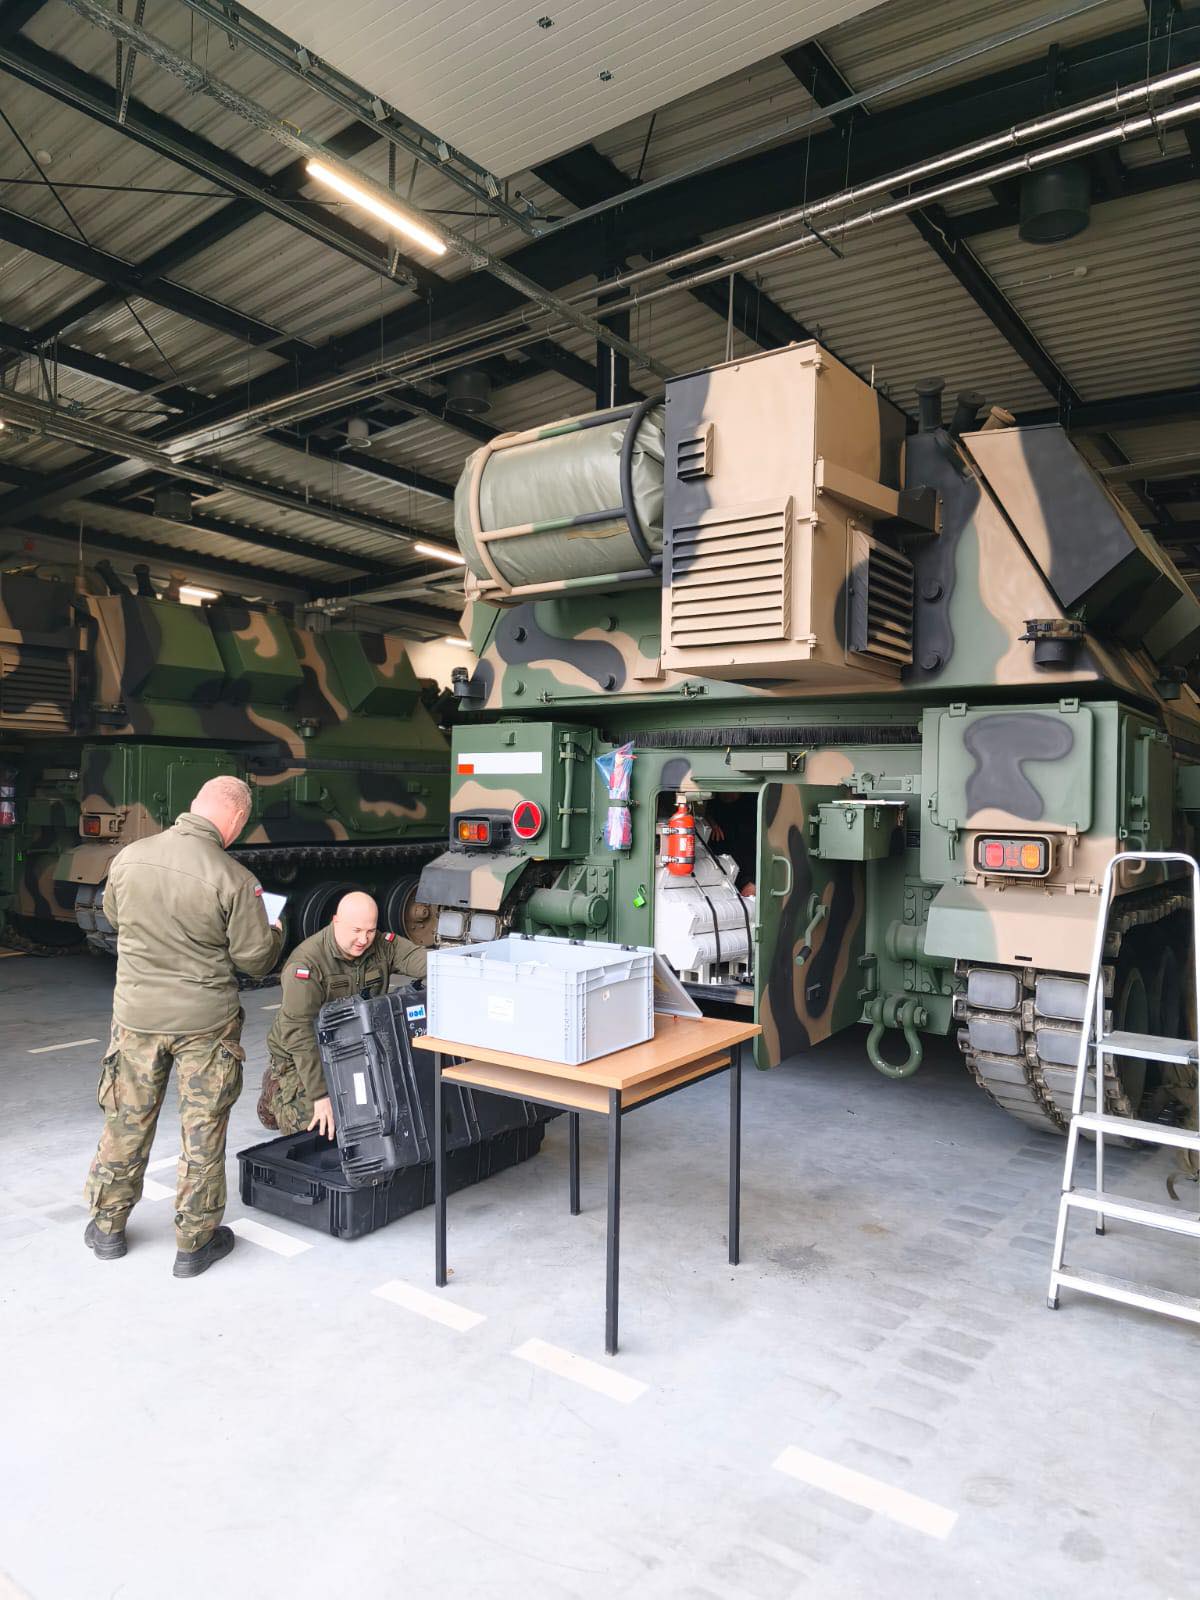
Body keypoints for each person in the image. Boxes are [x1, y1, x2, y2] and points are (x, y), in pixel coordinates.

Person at [83, 776, 283, 1278]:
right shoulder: (234, 878)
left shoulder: (129, 857)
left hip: (137, 1017)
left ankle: (107, 1228)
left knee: (125, 1122)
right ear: (236, 819)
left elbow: (114, 915)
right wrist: (275, 930)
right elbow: (256, 960)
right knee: (202, 1132)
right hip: (205, 1024)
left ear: (194, 805)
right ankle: (194, 1244)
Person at [258, 891, 427, 1138]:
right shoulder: (306, 965)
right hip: (304, 1052)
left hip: (354, 1047)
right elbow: (299, 1033)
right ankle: (276, 1090)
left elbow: (424, 962)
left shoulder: (381, 945)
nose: (363, 940)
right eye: (356, 931)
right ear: (336, 921)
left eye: (370, 931)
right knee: (316, 1130)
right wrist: (320, 1095)